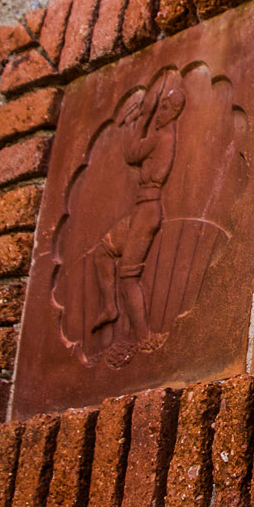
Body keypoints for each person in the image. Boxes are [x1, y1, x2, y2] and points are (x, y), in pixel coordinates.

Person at [92, 67, 186, 354]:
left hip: (148, 212)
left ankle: (144, 337)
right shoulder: (161, 133)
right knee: (104, 251)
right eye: (160, 106)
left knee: (129, 276)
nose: (160, 112)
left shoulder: (163, 136)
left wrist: (138, 121)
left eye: (165, 108)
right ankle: (110, 307)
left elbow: (132, 154)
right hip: (140, 209)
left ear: (174, 112)